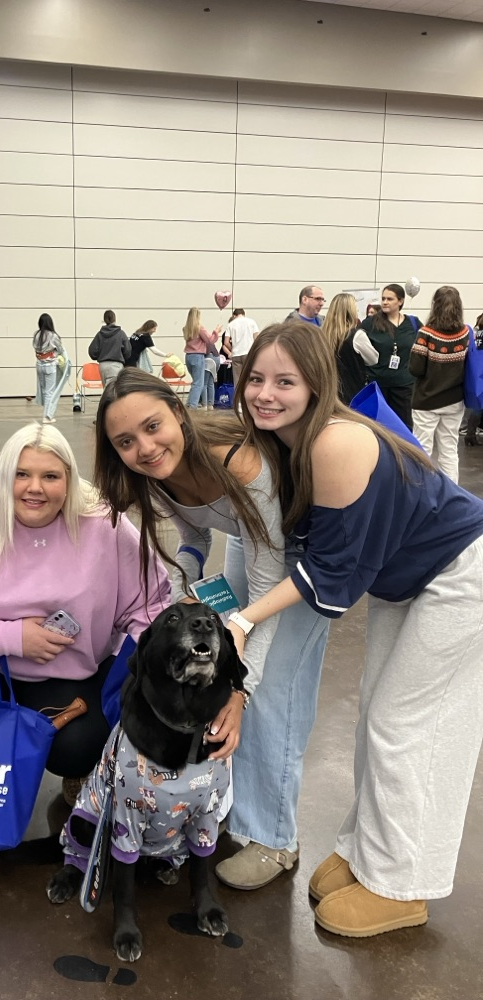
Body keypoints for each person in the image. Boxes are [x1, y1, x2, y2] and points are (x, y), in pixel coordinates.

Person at [225, 321, 483, 937]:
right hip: (409, 579)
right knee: (376, 714)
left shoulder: (334, 442)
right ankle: (371, 853)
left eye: (285, 381)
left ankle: (402, 884)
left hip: (461, 569)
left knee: (409, 724)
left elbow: (332, 577)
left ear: (318, 385)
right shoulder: (281, 443)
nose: (265, 393)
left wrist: (243, 618)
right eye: (256, 378)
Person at [93, 368, 330, 889]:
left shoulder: (240, 462)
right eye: (126, 442)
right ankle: (239, 810)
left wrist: (242, 688)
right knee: (228, 671)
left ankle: (276, 840)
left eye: (154, 427)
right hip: (250, 536)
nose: (146, 448)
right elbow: (196, 535)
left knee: (272, 692)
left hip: (302, 557)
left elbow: (267, 590)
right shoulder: (156, 475)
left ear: (179, 412)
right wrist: (187, 585)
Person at [0, 423, 171, 805]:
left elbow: (150, 603)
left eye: (50, 476)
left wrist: (154, 680)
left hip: (65, 674)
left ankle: (71, 773)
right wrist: (9, 638)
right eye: (21, 474)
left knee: (80, 744)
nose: (35, 488)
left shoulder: (103, 523)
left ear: (70, 480)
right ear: (3, 476)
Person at [409, 286, 469, 482]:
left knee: (422, 449)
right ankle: (452, 496)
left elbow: (415, 369)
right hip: (454, 401)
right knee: (449, 451)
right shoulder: (465, 334)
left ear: (434, 305)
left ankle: (422, 493)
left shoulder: (426, 333)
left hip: (426, 401)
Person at [352, 283, 421, 430]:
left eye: (390, 299)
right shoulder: (371, 323)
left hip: (404, 386)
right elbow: (355, 344)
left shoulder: (413, 323)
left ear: (400, 301)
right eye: (383, 298)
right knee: (377, 426)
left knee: (403, 427)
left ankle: (402, 453)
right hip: (378, 384)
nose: (384, 302)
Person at [320, 293, 366, 404]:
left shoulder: (321, 335)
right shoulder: (356, 335)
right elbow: (374, 359)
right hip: (353, 391)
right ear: (351, 311)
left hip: (328, 392)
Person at [32, 313, 69, 424]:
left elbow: (35, 348)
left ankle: (46, 413)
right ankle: (47, 416)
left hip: (39, 365)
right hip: (50, 366)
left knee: (44, 390)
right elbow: (60, 349)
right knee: (50, 392)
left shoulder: (36, 335)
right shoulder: (53, 336)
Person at [182, 307, 221, 409]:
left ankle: (190, 403)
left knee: (195, 382)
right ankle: (193, 406)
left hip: (188, 356)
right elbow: (210, 340)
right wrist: (216, 332)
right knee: (199, 383)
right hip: (198, 356)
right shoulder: (199, 328)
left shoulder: (186, 328)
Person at [88, 310, 130, 387]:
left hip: (103, 365)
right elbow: (127, 350)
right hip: (116, 364)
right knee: (112, 391)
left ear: (104, 320)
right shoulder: (121, 333)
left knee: (106, 389)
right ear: (115, 319)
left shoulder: (100, 334)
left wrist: (98, 356)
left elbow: (92, 350)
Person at [462, 312, 483, 447]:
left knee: (478, 403)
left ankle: (470, 433)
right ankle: (470, 435)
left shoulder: (477, 332)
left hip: (476, 369)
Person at [224, 308, 259, 385]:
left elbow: (226, 342)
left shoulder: (230, 325)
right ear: (243, 314)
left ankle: (238, 396)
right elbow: (256, 339)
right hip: (248, 353)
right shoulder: (251, 322)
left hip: (236, 354)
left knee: (238, 380)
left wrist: (232, 349)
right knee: (249, 378)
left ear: (234, 315)